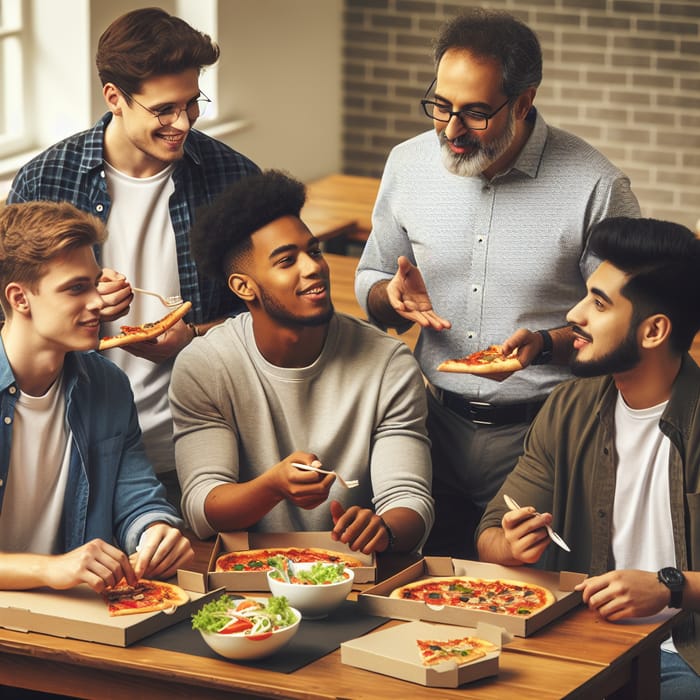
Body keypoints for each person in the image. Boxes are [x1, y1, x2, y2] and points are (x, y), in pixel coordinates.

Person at [354, 7, 641, 558]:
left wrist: (545, 345)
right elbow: (371, 278)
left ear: (524, 101)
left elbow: (619, 324)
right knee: (423, 598)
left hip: (545, 434)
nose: (452, 129)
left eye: (476, 113)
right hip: (428, 421)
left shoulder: (596, 185)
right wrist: (388, 297)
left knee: (529, 602)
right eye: (441, 106)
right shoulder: (407, 165)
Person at [6, 8, 260, 509]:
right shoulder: (43, 181)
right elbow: (9, 319)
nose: (183, 123)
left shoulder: (236, 181)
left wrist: (195, 339)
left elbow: (271, 311)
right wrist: (77, 304)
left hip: (204, 447)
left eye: (193, 103)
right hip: (76, 449)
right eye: (164, 110)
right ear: (114, 98)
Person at [476, 217, 700, 698]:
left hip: (684, 656)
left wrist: (671, 587)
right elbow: (490, 533)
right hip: (581, 639)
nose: (574, 314)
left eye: (598, 303)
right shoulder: (569, 407)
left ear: (654, 329)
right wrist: (511, 546)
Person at [169, 170, 434, 554]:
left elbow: (410, 500)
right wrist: (272, 486)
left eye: (313, 251)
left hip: (355, 574)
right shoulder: (205, 366)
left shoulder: (387, 363)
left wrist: (384, 530)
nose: (313, 267)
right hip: (248, 578)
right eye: (286, 261)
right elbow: (203, 507)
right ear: (244, 287)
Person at [0, 201, 193, 592]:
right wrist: (47, 570)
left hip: (79, 611)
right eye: (75, 288)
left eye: (94, 282)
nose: (98, 302)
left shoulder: (107, 383)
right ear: (20, 299)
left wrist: (155, 530)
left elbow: (136, 495)